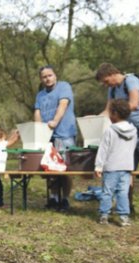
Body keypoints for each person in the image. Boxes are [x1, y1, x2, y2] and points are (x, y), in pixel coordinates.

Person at [95, 62, 139, 216]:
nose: (105, 85)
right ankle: (127, 206)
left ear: (111, 74)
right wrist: (93, 119)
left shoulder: (131, 81)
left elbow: (134, 104)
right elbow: (107, 111)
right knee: (125, 170)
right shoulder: (112, 90)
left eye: (105, 81)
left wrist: (117, 113)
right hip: (127, 134)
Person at [34, 65, 77, 211]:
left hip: (64, 133)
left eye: (50, 75)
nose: (47, 79)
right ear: (41, 79)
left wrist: (55, 121)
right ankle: (53, 197)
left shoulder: (64, 87)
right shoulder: (40, 95)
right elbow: (37, 112)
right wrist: (39, 129)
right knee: (49, 168)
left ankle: (64, 198)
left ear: (55, 75)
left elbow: (63, 105)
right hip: (47, 136)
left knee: (65, 168)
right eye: (44, 77)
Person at [95, 99, 137, 226]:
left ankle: (104, 215)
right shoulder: (134, 131)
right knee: (123, 192)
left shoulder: (110, 130)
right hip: (126, 167)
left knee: (107, 192)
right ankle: (124, 217)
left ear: (115, 114)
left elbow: (103, 149)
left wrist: (98, 166)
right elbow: (132, 148)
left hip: (111, 167)